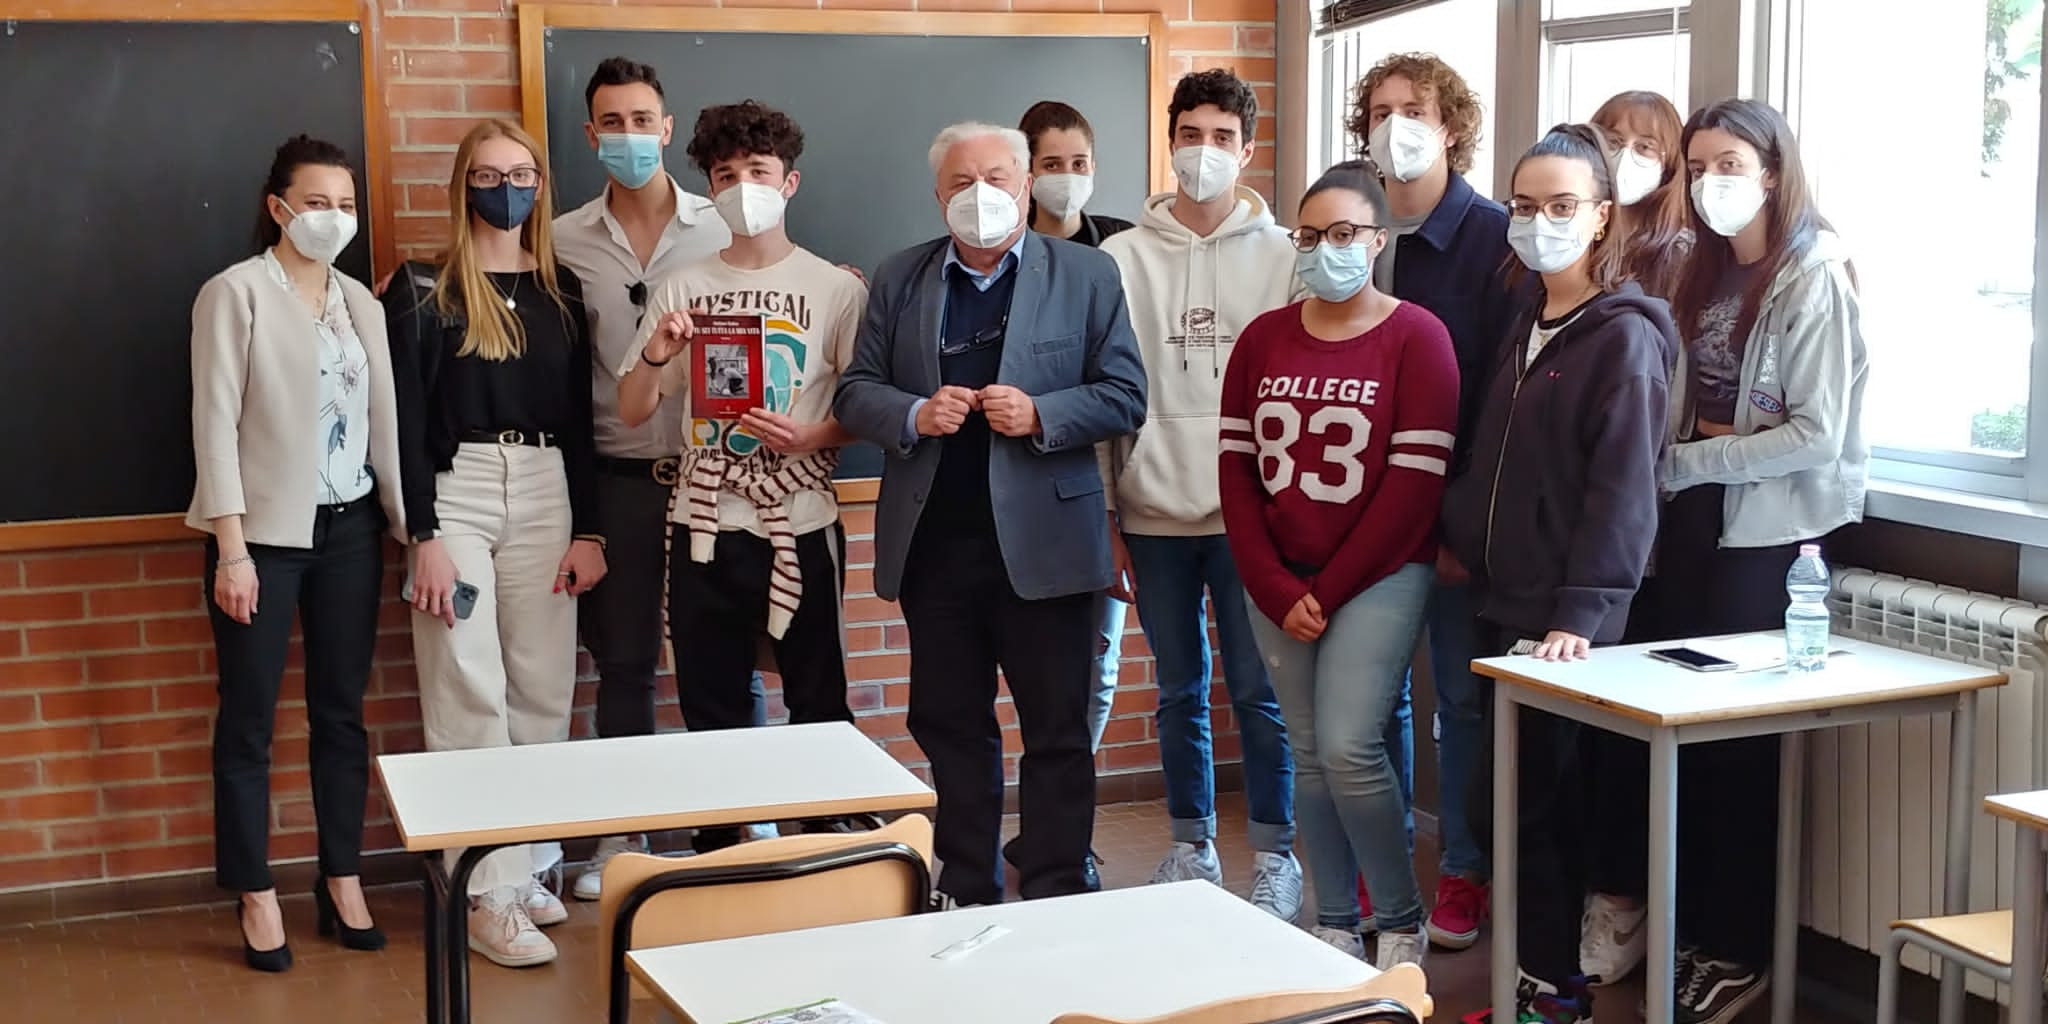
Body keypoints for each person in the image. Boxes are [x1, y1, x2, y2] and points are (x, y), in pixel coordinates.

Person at [832, 122, 1147, 907]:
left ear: (1025, 182)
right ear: (938, 196)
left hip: (1048, 545)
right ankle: (965, 881)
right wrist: (912, 413)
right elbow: (855, 391)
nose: (982, 195)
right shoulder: (900, 277)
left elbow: (1125, 393)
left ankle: (1053, 878)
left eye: (999, 178)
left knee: (1058, 731)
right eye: (962, 182)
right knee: (949, 724)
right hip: (937, 542)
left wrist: (1043, 413)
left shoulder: (1086, 273)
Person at [1441, 124, 1677, 1024]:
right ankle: (1529, 988)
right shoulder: (1528, 318)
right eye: (1526, 206)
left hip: (1564, 626)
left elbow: (1624, 489)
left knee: (1539, 814)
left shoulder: (1624, 337)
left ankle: (1550, 997)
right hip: (1500, 600)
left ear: (1602, 214)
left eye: (1563, 206)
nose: (1541, 223)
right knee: (1506, 806)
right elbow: (1496, 459)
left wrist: (1583, 611)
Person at [1648, 97, 1867, 1024]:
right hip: (1696, 531)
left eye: (1731, 163)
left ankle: (1739, 947)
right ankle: (1695, 931)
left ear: (1774, 169)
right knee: (1689, 748)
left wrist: (1694, 456)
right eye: (1698, 166)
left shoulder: (1813, 275)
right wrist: (1708, 444)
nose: (1712, 183)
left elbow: (1814, 435)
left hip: (1770, 541)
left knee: (1741, 757)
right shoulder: (1701, 269)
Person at [1219, 160, 1458, 969]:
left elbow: (1413, 488)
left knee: (1353, 747)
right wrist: (1277, 585)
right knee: (1311, 751)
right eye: (1311, 235)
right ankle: (1333, 915)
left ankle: (1397, 916)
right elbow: (1238, 475)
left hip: (1379, 574)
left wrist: (1328, 588)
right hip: (1280, 579)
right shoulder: (1262, 339)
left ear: (1379, 239)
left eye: (1346, 233)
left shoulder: (1418, 337)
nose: (1327, 249)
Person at [384, 118, 606, 969]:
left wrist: (588, 528)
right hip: (459, 494)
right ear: (461, 184)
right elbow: (400, 422)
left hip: (546, 488)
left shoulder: (564, 290)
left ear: (541, 187)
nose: (503, 188)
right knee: (467, 684)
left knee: (544, 687)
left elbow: (583, 426)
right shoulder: (421, 288)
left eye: (519, 173)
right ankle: (483, 891)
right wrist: (424, 536)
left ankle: (528, 865)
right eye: (486, 173)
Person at [617, 100, 867, 853]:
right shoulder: (682, 286)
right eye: (725, 175)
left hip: (802, 517)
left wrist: (813, 434)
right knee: (712, 701)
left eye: (756, 172)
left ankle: (828, 843)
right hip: (707, 523)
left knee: (818, 694)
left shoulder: (836, 287)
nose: (741, 187)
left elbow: (867, 409)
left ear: (788, 182)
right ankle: (726, 849)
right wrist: (661, 352)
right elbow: (631, 408)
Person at [550, 58, 765, 901]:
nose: (630, 136)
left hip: (723, 473)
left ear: (668, 131)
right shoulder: (561, 238)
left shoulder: (727, 221)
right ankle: (621, 836)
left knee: (733, 656)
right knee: (628, 662)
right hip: (624, 476)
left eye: (644, 120)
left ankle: (744, 818)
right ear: (591, 134)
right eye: (613, 121)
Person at [189, 135, 404, 972]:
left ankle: (341, 876)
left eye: (346, 204)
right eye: (316, 203)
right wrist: (231, 549)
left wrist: (404, 524)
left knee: (340, 712)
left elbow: (383, 420)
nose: (333, 218)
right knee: (248, 718)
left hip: (351, 529)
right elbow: (213, 425)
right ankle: (255, 890)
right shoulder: (234, 294)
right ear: (279, 208)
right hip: (264, 539)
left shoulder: (361, 301)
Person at [1096, 68, 1300, 916]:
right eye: (1191, 135)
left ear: (1247, 150)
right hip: (1151, 511)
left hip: (1251, 519)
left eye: (1223, 137)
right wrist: (1111, 515)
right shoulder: (1120, 258)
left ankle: (1279, 855)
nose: (1205, 152)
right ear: (1169, 141)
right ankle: (1192, 845)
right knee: (1177, 687)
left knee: (1261, 691)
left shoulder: (1288, 255)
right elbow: (1103, 393)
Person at [1347, 51, 1514, 950]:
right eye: (1379, 110)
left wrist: (1462, 526)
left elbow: (1497, 396)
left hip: (1450, 519)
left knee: (1461, 701)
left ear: (1451, 124)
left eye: (1414, 108)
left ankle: (1465, 872)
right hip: (1363, 514)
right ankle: (1388, 870)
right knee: (1373, 703)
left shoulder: (1492, 238)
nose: (1395, 124)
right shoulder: (1356, 226)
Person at [1574, 87, 1693, 987]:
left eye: (1647, 143)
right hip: (1582, 515)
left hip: (1666, 521)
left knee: (1637, 732)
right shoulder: (1579, 246)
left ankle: (1626, 899)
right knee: (1590, 734)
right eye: (1612, 138)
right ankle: (1593, 891)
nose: (1627, 153)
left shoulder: (1688, 255)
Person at [1016, 98, 1135, 891]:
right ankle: (1045, 831)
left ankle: (1066, 831)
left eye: (1078, 164)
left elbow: (1127, 385)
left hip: (1115, 497)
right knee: (1044, 678)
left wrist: (1125, 512)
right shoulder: (995, 250)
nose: (1065, 180)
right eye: (1050, 165)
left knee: (1096, 673)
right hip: (1029, 500)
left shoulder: (1122, 251)